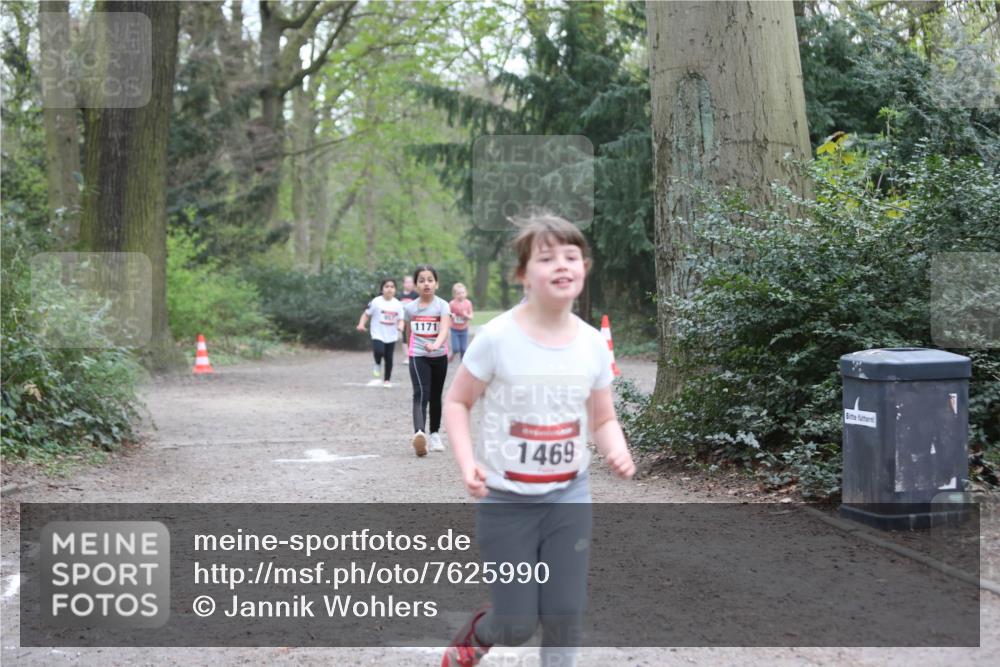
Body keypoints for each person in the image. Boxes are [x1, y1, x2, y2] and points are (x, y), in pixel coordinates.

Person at [441, 214, 635, 667]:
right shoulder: (497, 339)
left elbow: (603, 418)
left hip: (569, 497)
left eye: (572, 256)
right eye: (547, 258)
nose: (562, 265)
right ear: (523, 274)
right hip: (506, 502)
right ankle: (478, 635)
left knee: (566, 614)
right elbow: (457, 402)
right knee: (517, 624)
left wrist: (616, 448)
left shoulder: (591, 344)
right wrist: (467, 461)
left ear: (585, 267)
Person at [403, 265, 452, 456]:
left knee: (435, 396)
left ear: (436, 284)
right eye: (421, 280)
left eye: (430, 280)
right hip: (418, 355)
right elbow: (408, 331)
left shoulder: (442, 305)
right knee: (420, 393)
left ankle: (434, 433)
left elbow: (444, 330)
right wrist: (410, 349)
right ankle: (419, 435)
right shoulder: (410, 308)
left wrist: (436, 345)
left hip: (439, 356)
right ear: (416, 285)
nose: (426, 284)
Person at [356, 279, 404, 387]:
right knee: (379, 351)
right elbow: (366, 314)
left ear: (395, 290)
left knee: (389, 358)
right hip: (377, 333)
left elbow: (401, 319)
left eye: (392, 287)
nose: (389, 289)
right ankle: (377, 363)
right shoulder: (376, 301)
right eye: (387, 286)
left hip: (391, 335)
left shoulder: (398, 304)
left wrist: (401, 325)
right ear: (382, 289)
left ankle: (387, 380)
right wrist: (361, 324)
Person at [449, 282, 474, 363]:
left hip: (464, 329)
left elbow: (471, 316)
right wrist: (451, 315)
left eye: (463, 292)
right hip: (454, 329)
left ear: (466, 293)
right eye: (458, 293)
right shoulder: (452, 303)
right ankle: (452, 353)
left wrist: (466, 315)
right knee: (456, 348)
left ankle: (463, 364)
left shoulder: (468, 303)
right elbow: (448, 314)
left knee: (463, 349)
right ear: (454, 295)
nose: (461, 295)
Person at [399, 275, 419, 366]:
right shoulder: (400, 295)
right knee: (404, 338)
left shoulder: (415, 295)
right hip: (403, 320)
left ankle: (414, 354)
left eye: (411, 282)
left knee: (414, 336)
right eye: (407, 282)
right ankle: (407, 356)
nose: (409, 284)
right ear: (403, 284)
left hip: (414, 320)